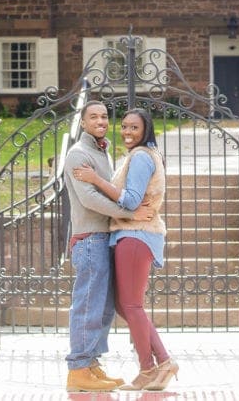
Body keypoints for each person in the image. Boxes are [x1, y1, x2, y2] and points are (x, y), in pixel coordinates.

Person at [73, 107, 178, 392]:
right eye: (125, 127)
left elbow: (131, 201)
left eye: (134, 127)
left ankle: (151, 367)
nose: (128, 132)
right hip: (130, 235)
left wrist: (95, 179)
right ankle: (160, 364)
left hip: (135, 235)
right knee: (125, 304)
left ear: (146, 130)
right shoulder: (137, 155)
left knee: (131, 305)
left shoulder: (142, 156)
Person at [63, 100, 153, 392]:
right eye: (94, 117)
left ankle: (91, 364)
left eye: (104, 116)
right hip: (90, 239)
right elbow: (89, 199)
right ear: (83, 122)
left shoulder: (100, 151)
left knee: (101, 308)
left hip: (104, 238)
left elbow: (109, 189)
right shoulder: (78, 154)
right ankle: (78, 368)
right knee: (87, 305)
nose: (101, 121)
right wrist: (129, 213)